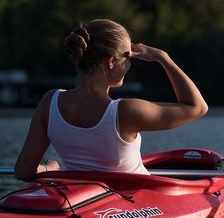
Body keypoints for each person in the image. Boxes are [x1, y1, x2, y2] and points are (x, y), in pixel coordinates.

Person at [14, 19, 208, 181]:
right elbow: (197, 107)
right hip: (133, 206)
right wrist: (163, 58)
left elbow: (24, 171)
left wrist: (50, 170)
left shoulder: (50, 102)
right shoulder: (126, 111)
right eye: (128, 57)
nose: (130, 63)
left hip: (81, 202)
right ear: (111, 62)